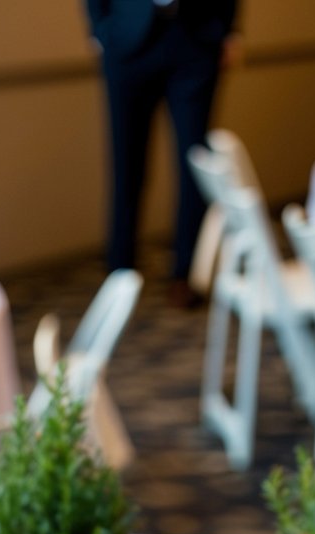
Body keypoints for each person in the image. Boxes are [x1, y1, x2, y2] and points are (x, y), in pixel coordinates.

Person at [84, 0, 240, 307]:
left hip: (195, 35)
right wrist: (99, 30)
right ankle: (120, 270)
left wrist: (229, 30)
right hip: (127, 38)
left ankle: (187, 273)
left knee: (194, 164)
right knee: (126, 163)